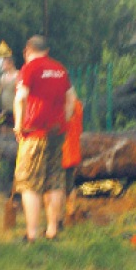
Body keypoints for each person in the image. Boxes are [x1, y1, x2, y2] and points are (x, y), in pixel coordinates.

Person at [12, 35, 77, 242]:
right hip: (57, 133)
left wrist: (18, 125)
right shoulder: (60, 69)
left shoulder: (29, 69)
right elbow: (72, 100)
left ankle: (31, 234)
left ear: (27, 50)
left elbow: (21, 98)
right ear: (46, 50)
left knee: (30, 183)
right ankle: (52, 230)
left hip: (34, 133)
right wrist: (64, 121)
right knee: (54, 180)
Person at [60, 94, 84, 230]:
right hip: (73, 150)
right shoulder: (77, 104)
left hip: (62, 151)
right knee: (70, 184)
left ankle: (61, 217)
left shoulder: (61, 104)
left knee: (58, 186)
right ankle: (71, 213)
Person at [0, 56, 19, 128]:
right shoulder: (3, 76)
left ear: (11, 64)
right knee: (3, 126)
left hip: (14, 106)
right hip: (3, 107)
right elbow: (0, 90)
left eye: (4, 64)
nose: (3, 66)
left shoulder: (18, 75)